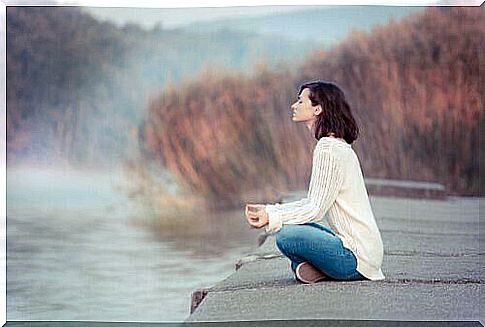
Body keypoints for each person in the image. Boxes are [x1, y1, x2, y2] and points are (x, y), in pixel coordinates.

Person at [244, 80, 385, 283]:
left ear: (317, 109)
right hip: (365, 253)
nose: (294, 105)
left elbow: (315, 209)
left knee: (286, 235)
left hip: (355, 259)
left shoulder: (328, 149)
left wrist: (271, 217)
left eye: (301, 101)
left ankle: (323, 268)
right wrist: (270, 210)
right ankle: (317, 269)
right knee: (298, 227)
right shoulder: (337, 145)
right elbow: (313, 203)